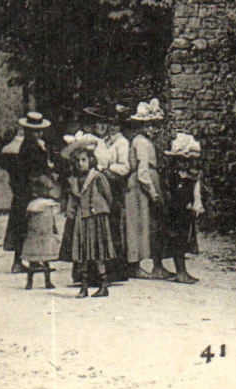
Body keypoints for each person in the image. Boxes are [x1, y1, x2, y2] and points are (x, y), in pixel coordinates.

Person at [60, 137, 114, 298]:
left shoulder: (97, 177)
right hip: (81, 219)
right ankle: (83, 286)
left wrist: (101, 208)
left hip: (95, 218)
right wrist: (70, 213)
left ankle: (104, 284)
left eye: (84, 160)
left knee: (98, 252)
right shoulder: (74, 181)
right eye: (77, 161)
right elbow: (72, 199)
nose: (80, 163)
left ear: (91, 160)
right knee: (82, 252)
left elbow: (108, 195)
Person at [124, 99, 170, 280]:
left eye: (154, 125)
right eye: (147, 125)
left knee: (149, 224)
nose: (152, 129)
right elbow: (142, 171)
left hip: (148, 180)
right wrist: (153, 192)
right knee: (138, 223)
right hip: (141, 185)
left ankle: (155, 265)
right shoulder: (141, 142)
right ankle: (136, 266)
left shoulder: (146, 141)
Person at [3, 112, 52, 272]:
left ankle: (27, 260)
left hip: (24, 190)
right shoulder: (32, 147)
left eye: (39, 130)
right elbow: (34, 171)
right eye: (35, 131)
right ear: (28, 131)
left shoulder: (29, 145)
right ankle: (25, 261)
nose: (39, 133)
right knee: (30, 225)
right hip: (30, 190)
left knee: (24, 225)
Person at [90, 105, 132, 279]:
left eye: (115, 124)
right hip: (100, 184)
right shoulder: (105, 140)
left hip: (113, 185)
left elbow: (124, 167)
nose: (111, 127)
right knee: (98, 226)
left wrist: (106, 169)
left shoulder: (122, 143)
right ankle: (96, 270)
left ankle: (115, 271)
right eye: (109, 123)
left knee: (112, 226)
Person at [159, 133, 204, 284]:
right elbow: (178, 195)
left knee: (183, 238)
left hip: (182, 210)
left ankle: (182, 270)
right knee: (178, 239)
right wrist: (187, 204)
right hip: (177, 210)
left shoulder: (184, 174)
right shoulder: (175, 175)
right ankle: (180, 272)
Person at [20, 176, 60, 291]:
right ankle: (46, 281)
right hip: (44, 234)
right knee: (45, 260)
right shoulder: (49, 204)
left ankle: (31, 282)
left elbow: (27, 218)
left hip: (35, 234)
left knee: (34, 261)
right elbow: (52, 218)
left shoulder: (32, 205)